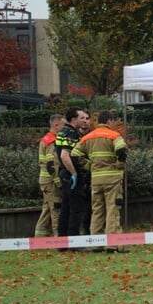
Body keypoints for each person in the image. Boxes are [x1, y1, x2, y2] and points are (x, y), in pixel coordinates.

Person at [71, 110, 129, 253]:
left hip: (96, 179)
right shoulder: (114, 135)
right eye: (113, 121)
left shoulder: (88, 137)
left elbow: (74, 155)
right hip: (112, 179)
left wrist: (89, 166)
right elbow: (122, 151)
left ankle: (96, 244)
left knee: (97, 211)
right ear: (109, 121)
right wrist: (120, 166)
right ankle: (113, 245)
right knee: (112, 210)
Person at [55, 106, 91, 249]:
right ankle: (75, 242)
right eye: (80, 117)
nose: (83, 120)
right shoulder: (71, 133)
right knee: (76, 209)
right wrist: (74, 173)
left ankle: (62, 242)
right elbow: (65, 155)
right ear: (74, 119)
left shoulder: (62, 132)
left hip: (64, 174)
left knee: (65, 208)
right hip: (71, 174)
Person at [33, 114, 65, 237]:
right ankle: (59, 238)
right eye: (63, 125)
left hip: (45, 180)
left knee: (47, 208)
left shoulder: (45, 139)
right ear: (56, 126)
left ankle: (39, 235)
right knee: (56, 207)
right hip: (51, 181)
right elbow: (51, 164)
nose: (65, 128)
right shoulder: (53, 141)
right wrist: (58, 181)